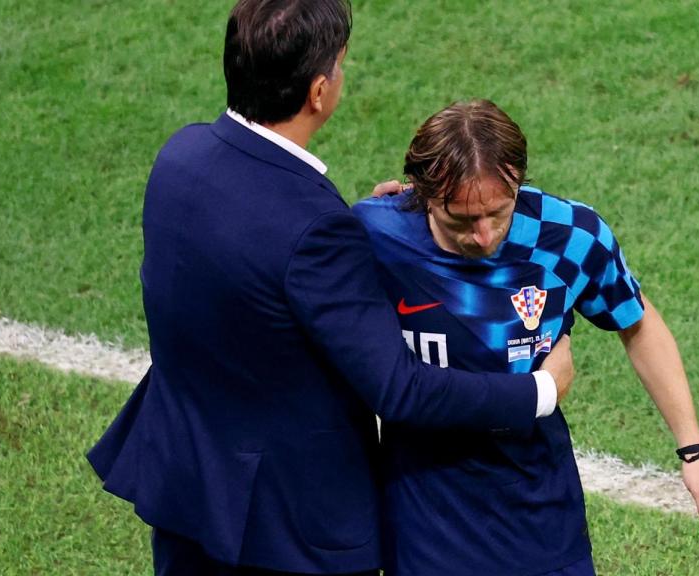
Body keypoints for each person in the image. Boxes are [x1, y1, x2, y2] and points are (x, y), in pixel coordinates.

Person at [86, 4, 575, 575]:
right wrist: (538, 392)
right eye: (340, 66)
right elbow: (397, 390)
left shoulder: (181, 156)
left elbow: (252, 285)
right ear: (319, 91)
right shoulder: (314, 223)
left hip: (186, 485)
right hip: (286, 528)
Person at [356, 100, 699, 576]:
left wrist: (694, 451)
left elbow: (638, 324)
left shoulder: (569, 235)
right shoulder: (375, 234)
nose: (482, 235)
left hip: (538, 504)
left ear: (517, 178)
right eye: (460, 221)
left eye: (498, 212)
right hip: (426, 509)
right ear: (423, 193)